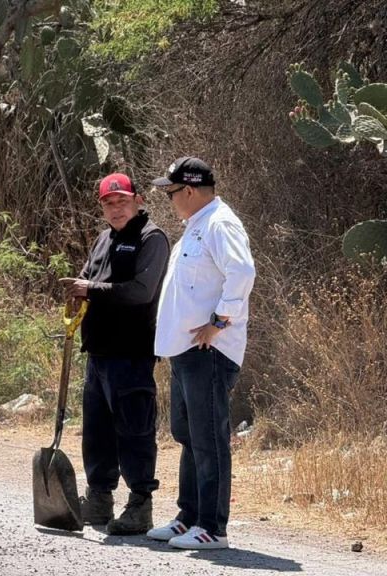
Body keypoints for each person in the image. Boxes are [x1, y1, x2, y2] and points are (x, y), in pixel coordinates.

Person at [146, 157, 255, 550]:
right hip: (186, 350)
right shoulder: (197, 226)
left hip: (209, 349)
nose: (170, 200)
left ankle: (213, 527)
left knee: (209, 439)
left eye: (172, 192)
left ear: (189, 190)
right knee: (187, 434)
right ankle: (188, 517)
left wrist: (219, 322)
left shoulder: (220, 223)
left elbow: (241, 273)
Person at [60, 173, 169, 535]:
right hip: (99, 354)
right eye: (109, 203)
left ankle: (140, 505)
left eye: (122, 201)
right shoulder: (104, 239)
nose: (116, 208)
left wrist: (90, 288)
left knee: (135, 432)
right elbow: (88, 277)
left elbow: (141, 291)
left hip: (132, 353)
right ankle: (100, 500)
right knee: (97, 432)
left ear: (137, 200)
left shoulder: (152, 238)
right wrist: (77, 289)